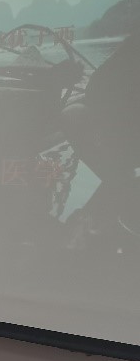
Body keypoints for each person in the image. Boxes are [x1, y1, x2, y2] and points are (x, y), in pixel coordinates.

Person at [60, 29, 140, 249]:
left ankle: (120, 183)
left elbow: (96, 87)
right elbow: (97, 87)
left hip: (125, 138)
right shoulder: (131, 50)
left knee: (73, 113)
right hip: (125, 138)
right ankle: (120, 181)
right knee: (73, 113)